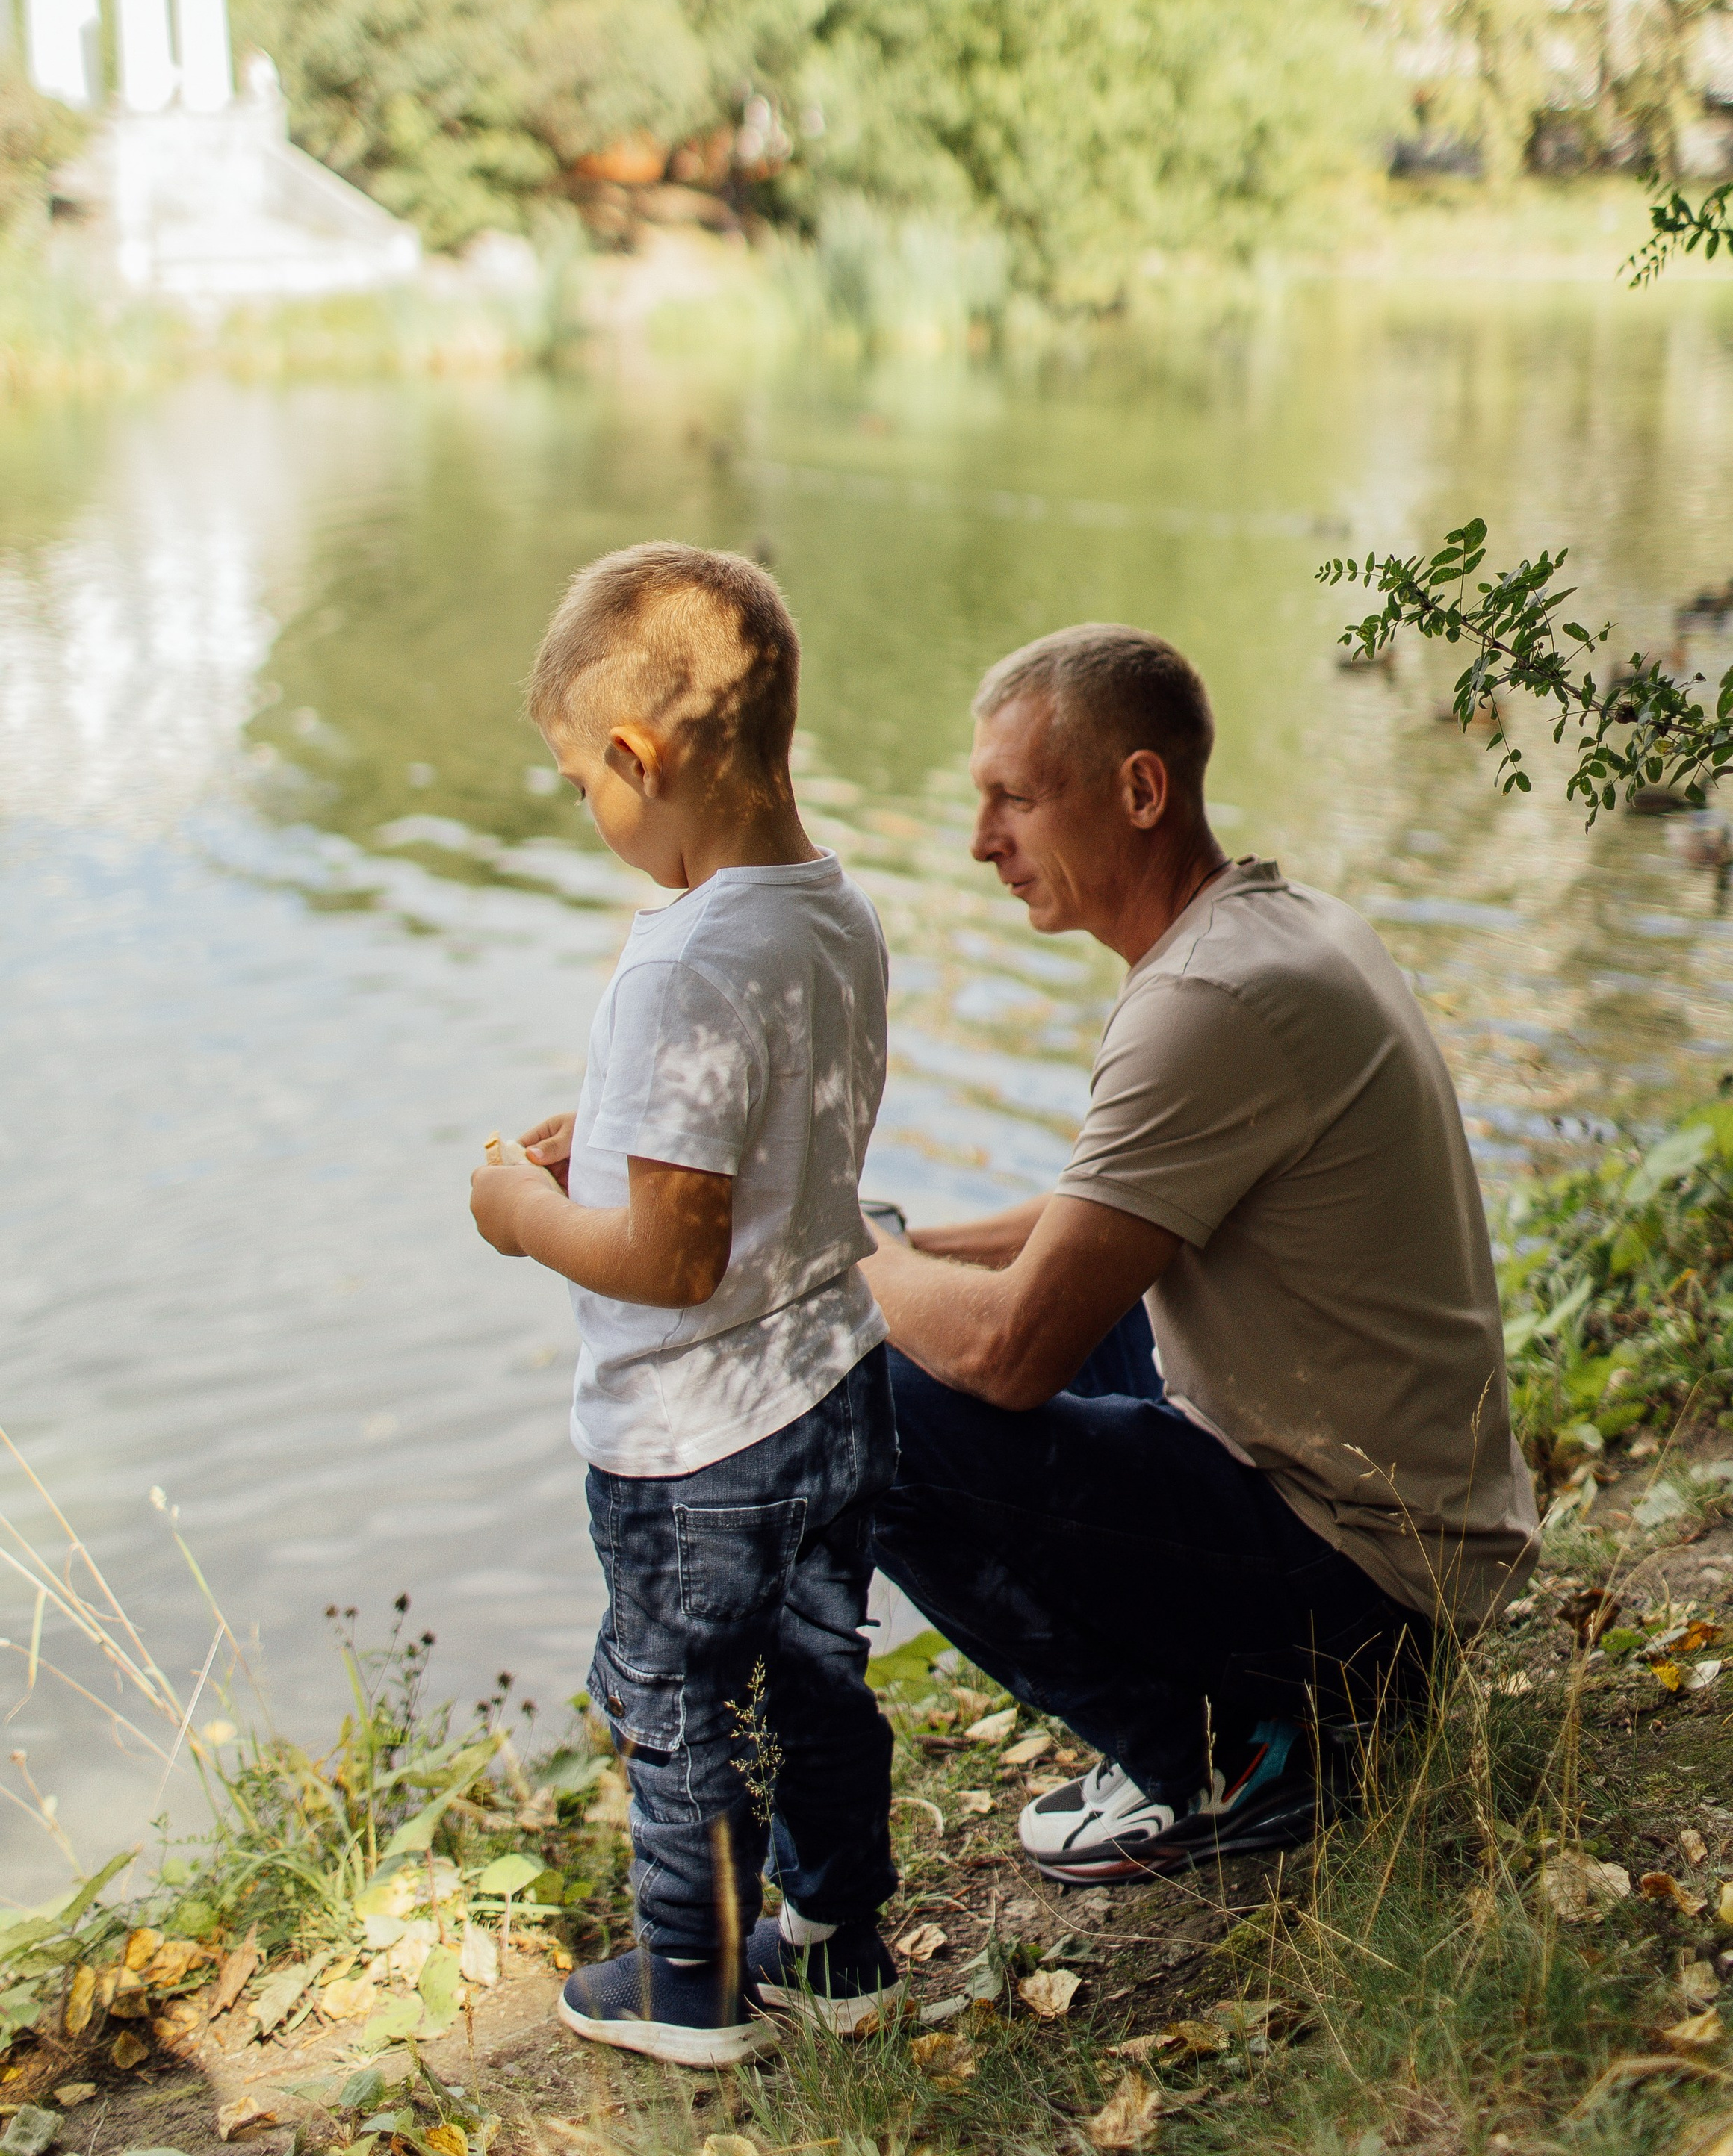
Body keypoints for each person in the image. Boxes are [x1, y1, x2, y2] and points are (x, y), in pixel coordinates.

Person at [862, 623, 1540, 1894]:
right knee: (930, 1318)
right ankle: (1262, 1722)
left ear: (1138, 790)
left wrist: (836, 1259)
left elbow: (1011, 1354)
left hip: (1366, 1583)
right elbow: (1104, 1214)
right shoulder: (1267, 931)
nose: (981, 840)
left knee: (868, 1402)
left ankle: (1229, 1757)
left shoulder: (1203, 1004)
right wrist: (903, 1239)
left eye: (1014, 796)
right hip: (1398, 1529)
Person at [469, 543, 900, 2066]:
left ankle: (693, 1984)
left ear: (638, 756)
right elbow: (774, 1128)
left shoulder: (687, 963)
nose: (589, 811)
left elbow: (671, 1263)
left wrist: (527, 1217)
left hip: (696, 1441)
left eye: (583, 776)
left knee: (672, 1705)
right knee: (819, 1683)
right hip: (834, 1389)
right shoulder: (830, 912)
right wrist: (618, 1126)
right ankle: (839, 1950)